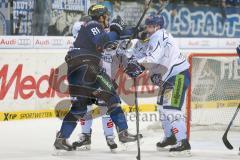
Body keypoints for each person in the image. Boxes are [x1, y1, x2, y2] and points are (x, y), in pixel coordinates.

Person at [53, 4, 139, 152]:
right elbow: (103, 40)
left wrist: (134, 31)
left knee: (79, 108)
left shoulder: (90, 31)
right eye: (106, 16)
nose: (108, 19)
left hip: (76, 72)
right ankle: (123, 132)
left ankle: (61, 139)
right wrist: (116, 30)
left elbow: (110, 41)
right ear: (101, 16)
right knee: (112, 96)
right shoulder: (93, 24)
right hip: (87, 67)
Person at [125, 14, 191, 156]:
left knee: (172, 109)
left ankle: (183, 143)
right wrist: (134, 59)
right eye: (147, 26)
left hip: (178, 76)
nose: (147, 29)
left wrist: (138, 65)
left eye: (150, 26)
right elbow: (146, 54)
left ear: (158, 26)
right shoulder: (155, 36)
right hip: (169, 78)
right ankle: (170, 137)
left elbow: (152, 58)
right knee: (162, 107)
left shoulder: (157, 36)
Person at [69, 16, 117, 152]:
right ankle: (85, 136)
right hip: (87, 77)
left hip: (103, 77)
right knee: (86, 106)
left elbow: (115, 50)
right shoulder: (84, 37)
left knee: (105, 107)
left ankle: (110, 137)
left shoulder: (102, 33)